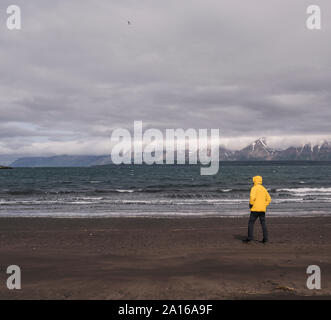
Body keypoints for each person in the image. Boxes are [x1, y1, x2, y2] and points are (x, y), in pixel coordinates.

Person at [243, 176, 271, 243]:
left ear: (255, 180)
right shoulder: (264, 189)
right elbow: (269, 199)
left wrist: (251, 205)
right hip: (262, 209)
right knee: (263, 224)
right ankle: (265, 239)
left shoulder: (254, 188)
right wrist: (264, 205)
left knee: (251, 223)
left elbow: (252, 198)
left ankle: (250, 238)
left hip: (255, 209)